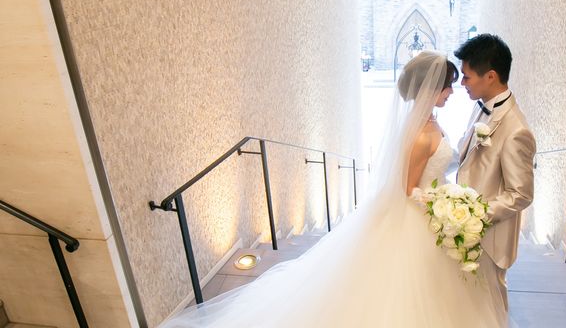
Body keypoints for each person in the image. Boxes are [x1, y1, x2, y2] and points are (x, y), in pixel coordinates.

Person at [160, 51, 508, 327]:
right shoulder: (419, 135)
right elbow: (407, 189)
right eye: (447, 86)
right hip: (422, 217)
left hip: (431, 215)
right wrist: (443, 204)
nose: (451, 92)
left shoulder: (431, 122)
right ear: (430, 90)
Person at [454, 34, 536, 311]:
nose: (462, 83)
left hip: (489, 240)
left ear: (490, 76)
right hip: (466, 233)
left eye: (466, 77)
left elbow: (521, 194)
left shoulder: (516, 130)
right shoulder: (481, 107)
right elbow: (468, 156)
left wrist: (474, 214)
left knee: (490, 309)